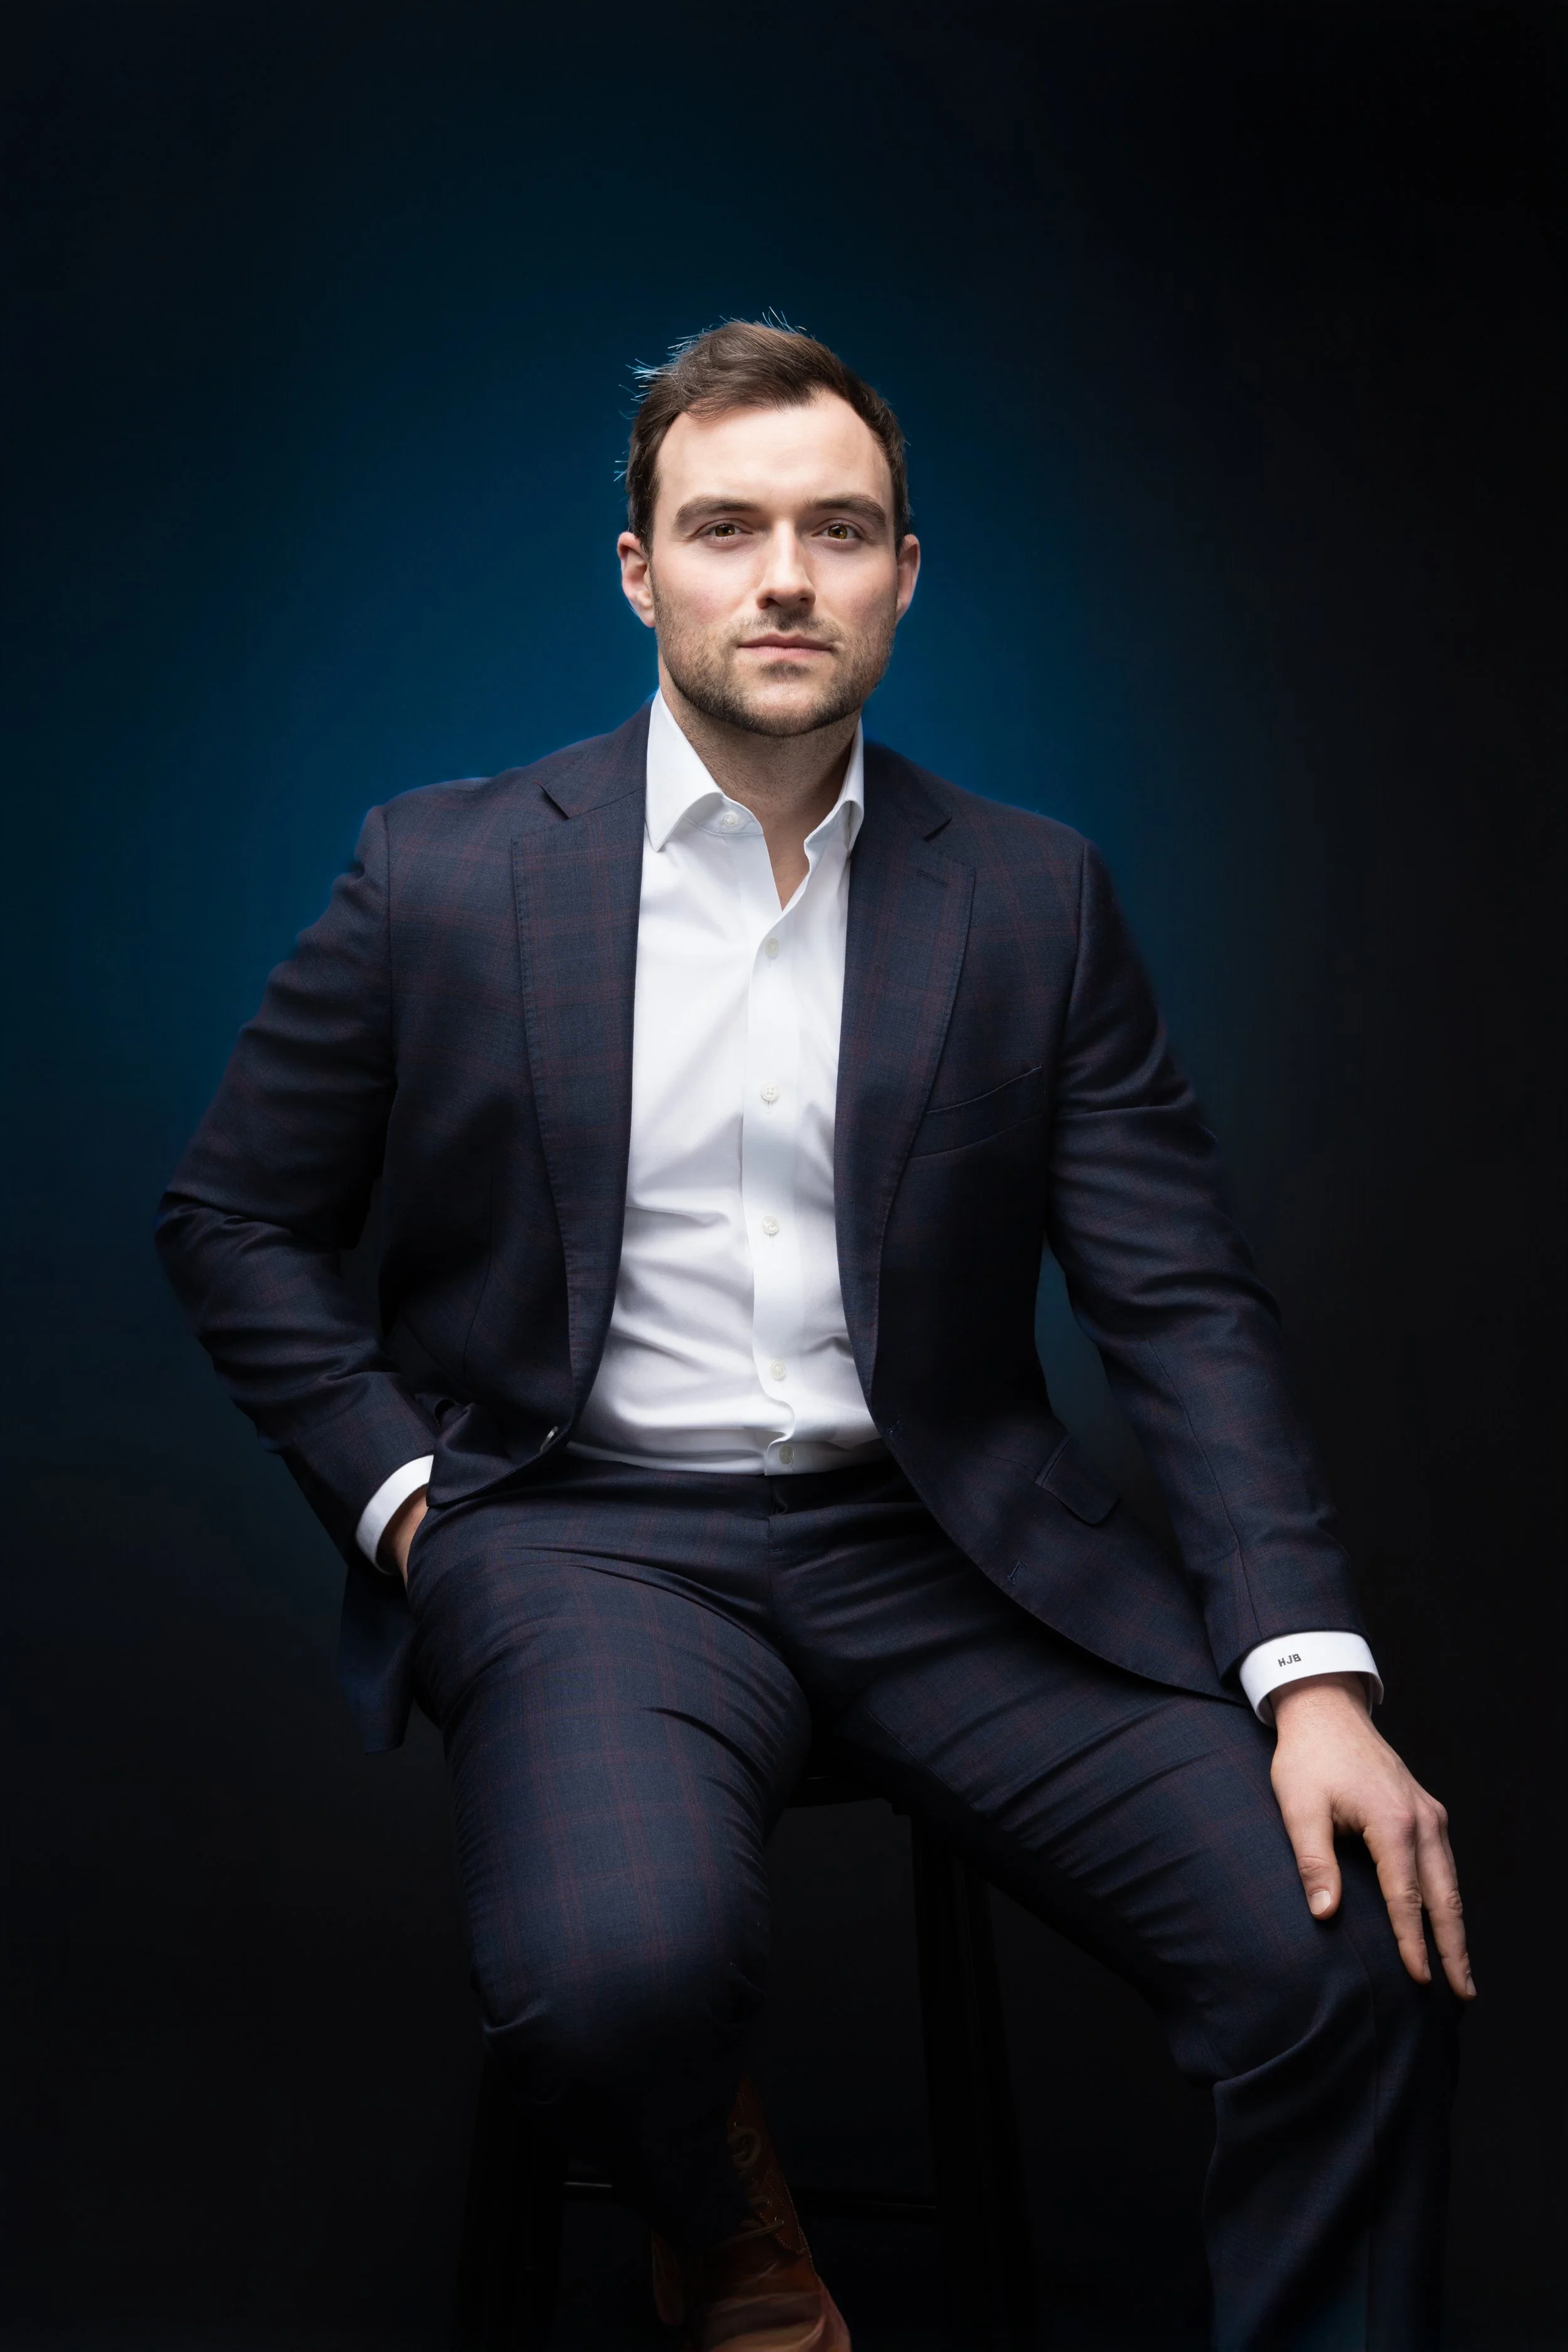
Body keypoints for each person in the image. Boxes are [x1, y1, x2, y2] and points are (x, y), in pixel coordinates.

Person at [157, 320, 1468, 2352]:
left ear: (904, 572)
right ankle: (730, 2233)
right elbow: (231, 1213)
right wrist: (411, 1505)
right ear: (638, 569)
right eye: (728, 526)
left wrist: (1309, 1672)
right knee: (614, 1978)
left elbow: (1178, 1299)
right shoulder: (447, 870)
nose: (784, 573)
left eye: (836, 529)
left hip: (948, 1551)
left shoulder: (1030, 899)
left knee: (1350, 1960)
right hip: (585, 1540)